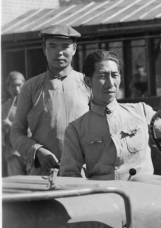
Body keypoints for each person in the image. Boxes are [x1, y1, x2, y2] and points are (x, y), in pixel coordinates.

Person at [60, 50, 155, 180]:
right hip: (104, 197)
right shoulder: (76, 129)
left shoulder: (142, 112)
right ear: (88, 81)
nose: (110, 83)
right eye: (102, 76)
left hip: (145, 195)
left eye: (115, 75)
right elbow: (69, 175)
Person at [10, 25, 91, 175]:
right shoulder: (30, 87)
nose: (59, 52)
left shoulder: (88, 84)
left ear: (74, 48)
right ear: (44, 48)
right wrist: (38, 151)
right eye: (52, 46)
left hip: (83, 173)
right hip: (44, 173)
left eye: (65, 46)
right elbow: (16, 132)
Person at [2, 71, 27, 176]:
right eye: (13, 86)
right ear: (8, 87)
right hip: (13, 153)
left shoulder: (31, 105)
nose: (17, 89)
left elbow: (31, 131)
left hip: (28, 152)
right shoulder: (3, 108)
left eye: (19, 85)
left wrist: (10, 125)